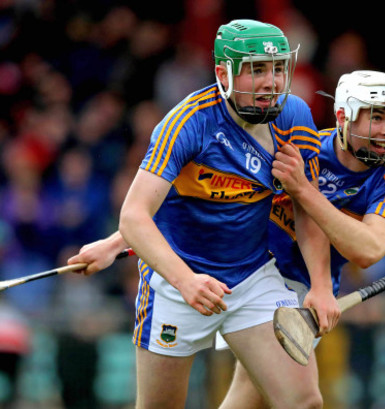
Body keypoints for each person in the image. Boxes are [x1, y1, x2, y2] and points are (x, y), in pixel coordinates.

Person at [71, 69, 385, 408]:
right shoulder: (302, 140)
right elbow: (214, 194)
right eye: (377, 117)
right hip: (244, 268)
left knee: (275, 399)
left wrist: (303, 191)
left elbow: (367, 250)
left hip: (301, 288)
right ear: (343, 116)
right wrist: (118, 242)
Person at [73, 19, 340, 409]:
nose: (272, 82)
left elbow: (305, 204)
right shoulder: (188, 123)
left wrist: (319, 285)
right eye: (256, 70)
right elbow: (134, 216)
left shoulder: (294, 115)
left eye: (278, 68)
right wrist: (184, 281)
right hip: (177, 285)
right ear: (222, 73)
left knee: (304, 402)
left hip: (252, 279)